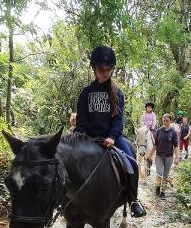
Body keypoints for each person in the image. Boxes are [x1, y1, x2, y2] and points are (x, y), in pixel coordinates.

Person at [74, 45, 146, 217]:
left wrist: (112, 137)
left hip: (111, 138)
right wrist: (80, 134)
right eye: (101, 69)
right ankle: (67, 199)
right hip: (89, 137)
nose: (104, 72)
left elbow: (118, 121)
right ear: (94, 69)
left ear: (113, 70)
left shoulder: (117, 93)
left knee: (132, 163)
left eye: (108, 69)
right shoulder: (85, 93)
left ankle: (133, 200)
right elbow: (82, 118)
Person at [151, 113, 179, 198]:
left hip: (169, 157)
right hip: (159, 156)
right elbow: (155, 145)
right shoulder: (159, 131)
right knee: (159, 173)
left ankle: (163, 191)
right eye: (164, 120)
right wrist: (150, 155)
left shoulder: (173, 132)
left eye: (167, 121)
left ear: (170, 121)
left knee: (165, 174)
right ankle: (158, 186)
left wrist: (177, 157)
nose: (165, 122)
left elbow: (176, 146)